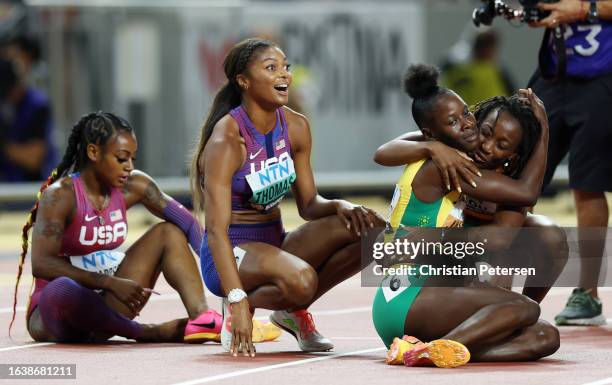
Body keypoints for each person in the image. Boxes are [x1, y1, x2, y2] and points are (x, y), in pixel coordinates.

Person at [190, 38, 383, 357]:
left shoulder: (296, 126)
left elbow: (308, 206)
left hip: (274, 244)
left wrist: (341, 206)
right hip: (229, 251)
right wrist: (236, 296)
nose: (285, 75)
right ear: (244, 82)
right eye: (271, 68)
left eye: (286, 67)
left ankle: (289, 311)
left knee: (371, 231)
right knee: (302, 282)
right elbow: (214, 230)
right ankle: (245, 304)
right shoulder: (227, 139)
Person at [370, 65, 559, 367]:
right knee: (525, 309)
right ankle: (434, 349)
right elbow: (526, 194)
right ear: (433, 132)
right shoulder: (451, 162)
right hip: (409, 295)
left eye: (466, 115)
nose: (473, 132)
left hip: (424, 292)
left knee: (545, 337)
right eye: (483, 130)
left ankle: (439, 347)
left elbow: (508, 226)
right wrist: (544, 131)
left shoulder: (442, 151)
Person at [10, 111, 222, 343]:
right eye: (121, 158)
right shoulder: (60, 196)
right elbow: (42, 264)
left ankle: (203, 319)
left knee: (169, 233)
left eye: (133, 159)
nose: (129, 167)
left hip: (110, 305)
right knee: (62, 288)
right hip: (59, 313)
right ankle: (147, 331)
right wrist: (109, 282)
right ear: (93, 152)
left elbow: (189, 224)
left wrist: (223, 277)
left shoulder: (135, 185)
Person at [526, 0, 612, 326]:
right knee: (515, 172)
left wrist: (583, 9)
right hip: (556, 72)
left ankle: (588, 294)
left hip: (603, 75)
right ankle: (495, 281)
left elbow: (579, 8)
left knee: (587, 183)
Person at [0, 58, 56, 182]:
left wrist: (6, 149)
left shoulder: (37, 105)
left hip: (34, 186)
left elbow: (34, 159)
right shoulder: (5, 103)